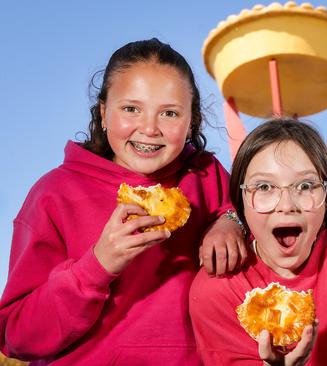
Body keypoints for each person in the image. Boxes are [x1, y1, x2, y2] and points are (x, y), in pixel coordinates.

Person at [0, 38, 243, 364]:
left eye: (169, 113)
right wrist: (96, 265)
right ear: (103, 113)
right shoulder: (53, 195)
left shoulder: (206, 174)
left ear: (191, 122)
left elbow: (249, 219)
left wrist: (229, 222)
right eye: (131, 109)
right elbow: (16, 335)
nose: (149, 128)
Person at [189, 118, 327, 365]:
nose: (286, 205)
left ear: (326, 194)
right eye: (264, 186)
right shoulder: (216, 288)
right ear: (241, 200)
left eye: (305, 185)